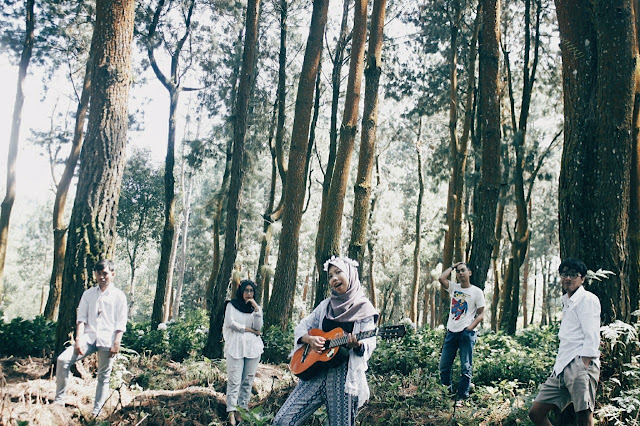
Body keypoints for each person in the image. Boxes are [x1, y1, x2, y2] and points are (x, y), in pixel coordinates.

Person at [272, 256, 378, 426]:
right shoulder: (326, 306)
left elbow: (369, 343)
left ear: (350, 274)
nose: (334, 278)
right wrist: (309, 339)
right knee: (283, 421)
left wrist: (357, 345)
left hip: (343, 377)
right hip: (316, 371)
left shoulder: (364, 308)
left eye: (338, 272)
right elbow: (303, 326)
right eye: (330, 275)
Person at [529, 258, 601, 426]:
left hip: (580, 363)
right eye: (564, 274)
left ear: (582, 278)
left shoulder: (587, 300)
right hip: (562, 366)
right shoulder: (566, 301)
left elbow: (592, 334)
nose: (568, 278)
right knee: (536, 413)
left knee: (583, 416)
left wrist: (584, 364)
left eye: (573, 275)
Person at [54, 259, 128, 416]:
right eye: (98, 273)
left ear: (112, 274)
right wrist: (78, 340)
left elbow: (121, 323)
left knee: (103, 376)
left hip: (108, 340)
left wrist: (116, 343)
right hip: (89, 337)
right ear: (95, 274)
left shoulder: (119, 296)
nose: (102, 277)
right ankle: (59, 401)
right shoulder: (88, 294)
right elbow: (81, 319)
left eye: (105, 273)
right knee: (63, 360)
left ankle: (97, 411)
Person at [438, 261, 485, 403]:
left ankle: (462, 397)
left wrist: (469, 328)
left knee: (465, 367)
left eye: (463, 270)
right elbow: (441, 278)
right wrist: (452, 266)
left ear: (469, 273)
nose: (460, 273)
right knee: (444, 366)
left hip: (466, 334)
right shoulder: (454, 288)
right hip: (451, 332)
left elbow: (481, 314)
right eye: (458, 271)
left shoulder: (477, 292)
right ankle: (447, 394)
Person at [223, 279, 263, 425]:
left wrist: (255, 307)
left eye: (251, 291)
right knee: (234, 380)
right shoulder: (231, 305)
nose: (248, 293)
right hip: (236, 347)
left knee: (247, 381)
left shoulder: (256, 309)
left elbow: (258, 327)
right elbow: (230, 323)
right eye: (246, 291)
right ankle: (231, 412)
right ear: (241, 291)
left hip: (253, 348)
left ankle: (242, 410)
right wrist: (248, 329)